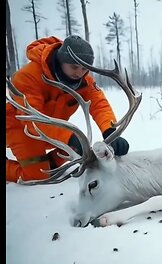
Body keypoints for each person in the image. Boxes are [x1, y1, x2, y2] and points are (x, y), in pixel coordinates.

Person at [6, 35, 130, 182]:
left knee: (79, 149)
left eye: (84, 68)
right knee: (37, 176)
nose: (79, 73)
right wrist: (68, 137)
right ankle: (35, 166)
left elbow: (99, 105)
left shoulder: (84, 81)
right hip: (20, 127)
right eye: (74, 67)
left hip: (52, 131)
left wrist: (110, 131)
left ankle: (47, 162)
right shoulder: (28, 76)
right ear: (61, 60)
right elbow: (31, 119)